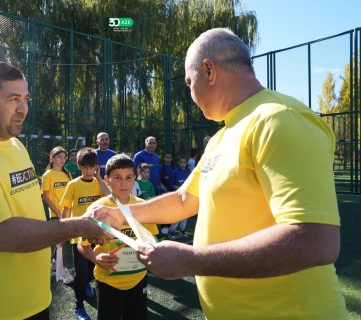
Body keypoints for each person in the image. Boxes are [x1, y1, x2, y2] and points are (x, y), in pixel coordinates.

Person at [88, 28, 348, 319]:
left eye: (189, 82)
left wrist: (191, 260)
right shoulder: (226, 134)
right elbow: (185, 199)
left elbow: (315, 241)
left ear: (208, 70)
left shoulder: (279, 119)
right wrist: (122, 214)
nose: (190, 93)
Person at [0, 61, 111, 320]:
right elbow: (2, 235)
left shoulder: (16, 145)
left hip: (37, 299)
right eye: (13, 99)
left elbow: (29, 215)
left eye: (26, 98)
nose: (23, 109)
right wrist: (79, 226)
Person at [78, 154, 158, 320]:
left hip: (138, 279)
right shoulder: (98, 209)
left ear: (135, 178)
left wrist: (151, 250)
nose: (123, 183)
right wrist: (95, 257)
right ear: (107, 179)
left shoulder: (142, 206)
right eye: (117, 177)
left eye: (129, 177)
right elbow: (82, 244)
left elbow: (152, 240)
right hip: (108, 282)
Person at [60, 147, 110, 320]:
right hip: (79, 237)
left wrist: (99, 177)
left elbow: (109, 197)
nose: (88, 171)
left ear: (96, 166)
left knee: (93, 269)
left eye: (92, 167)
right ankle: (79, 307)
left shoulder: (98, 182)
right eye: (85, 167)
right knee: (81, 273)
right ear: (79, 166)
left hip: (98, 234)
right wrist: (62, 232)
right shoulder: (72, 184)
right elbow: (66, 209)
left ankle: (87, 284)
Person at [40, 146, 74, 284]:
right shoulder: (47, 175)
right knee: (62, 243)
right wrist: (58, 213)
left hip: (68, 213)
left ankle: (56, 263)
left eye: (64, 157)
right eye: (59, 157)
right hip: (57, 214)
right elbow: (46, 197)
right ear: (52, 158)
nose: (62, 160)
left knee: (64, 242)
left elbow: (71, 193)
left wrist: (70, 211)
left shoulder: (67, 174)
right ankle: (63, 272)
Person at [167, 155, 191, 240]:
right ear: (178, 163)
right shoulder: (174, 172)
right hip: (177, 196)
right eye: (181, 162)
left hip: (186, 197)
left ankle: (182, 230)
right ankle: (171, 230)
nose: (183, 164)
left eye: (184, 162)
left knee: (185, 214)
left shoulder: (189, 172)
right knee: (177, 214)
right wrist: (179, 188)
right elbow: (170, 184)